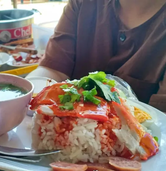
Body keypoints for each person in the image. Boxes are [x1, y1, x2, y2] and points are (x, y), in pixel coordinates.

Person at [27, 0, 166, 112]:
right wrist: (22, 97)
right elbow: (52, 70)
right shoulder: (82, 5)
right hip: (68, 132)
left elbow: (161, 117)